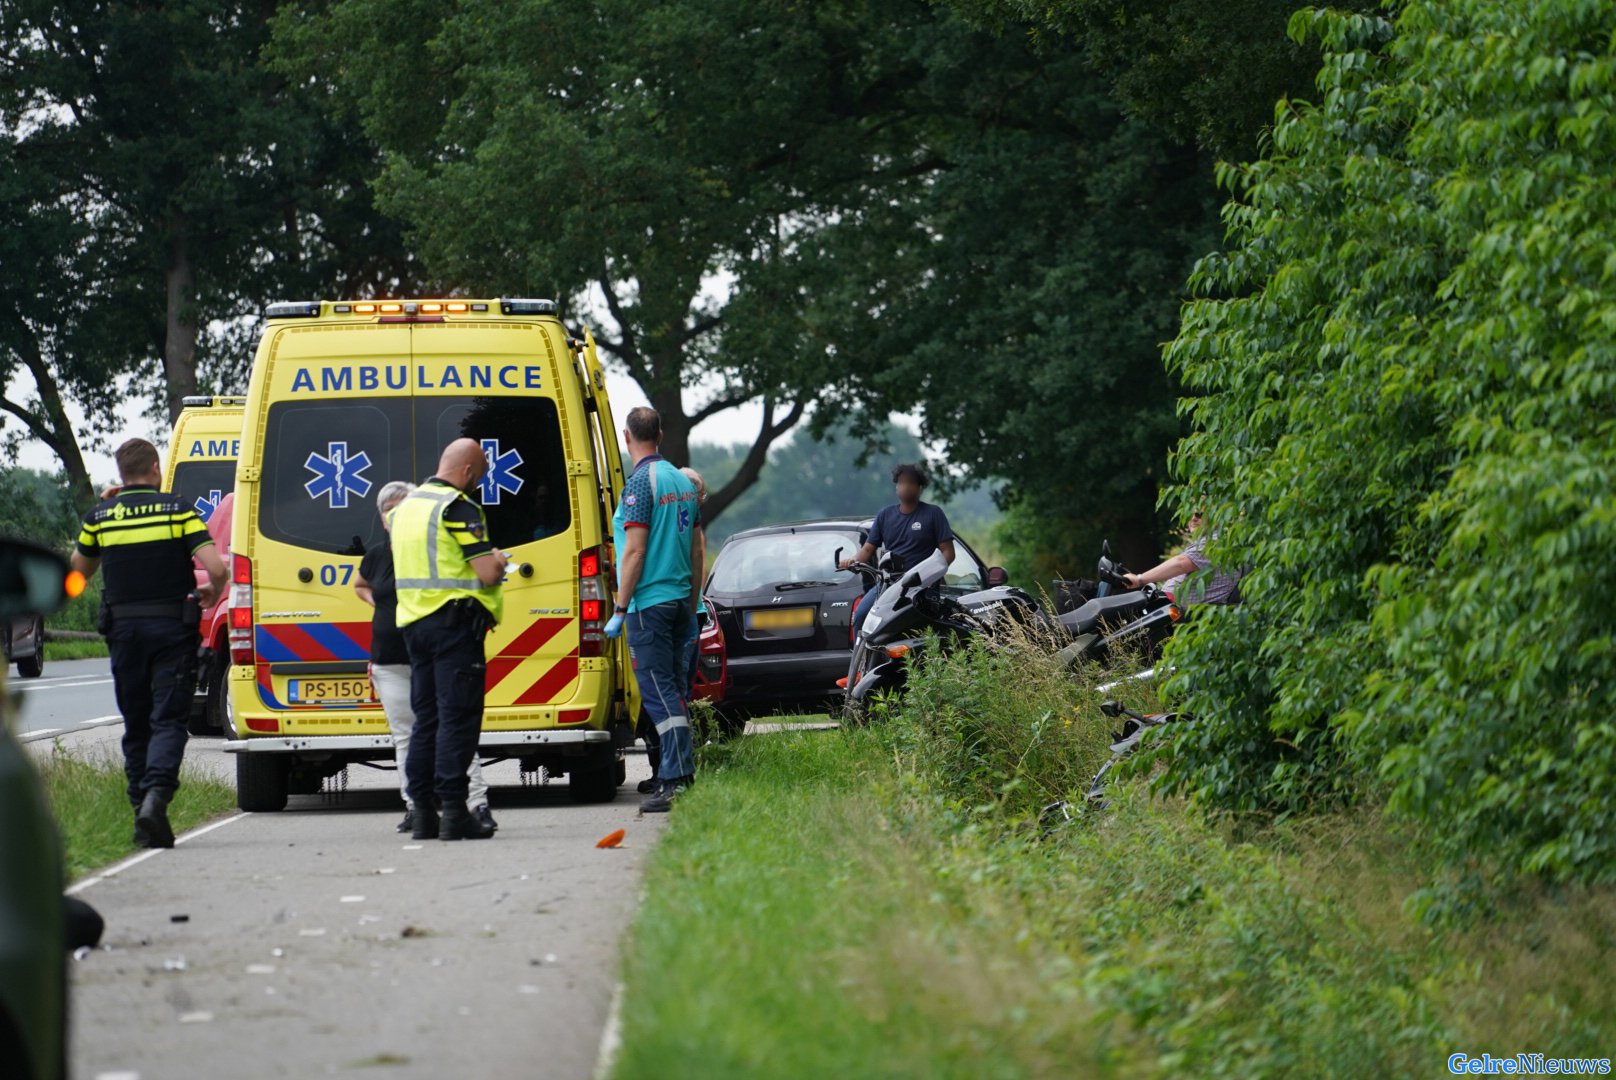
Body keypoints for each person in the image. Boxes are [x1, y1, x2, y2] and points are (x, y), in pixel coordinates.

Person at [69, 438, 227, 848]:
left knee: (136, 722)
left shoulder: (100, 517)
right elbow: (216, 568)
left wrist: (105, 515)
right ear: (155, 469)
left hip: (123, 634)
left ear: (121, 475)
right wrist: (211, 591)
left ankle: (142, 809)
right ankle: (156, 799)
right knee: (168, 720)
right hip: (172, 632)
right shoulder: (178, 510)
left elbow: (77, 574)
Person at [356, 480, 496, 836]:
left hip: (428, 651)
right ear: (382, 518)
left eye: (403, 508)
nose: (397, 516)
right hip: (391, 659)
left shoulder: (431, 549)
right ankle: (417, 808)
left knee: (452, 724)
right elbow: (360, 584)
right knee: (410, 734)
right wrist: (380, 607)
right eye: (390, 511)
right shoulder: (377, 556)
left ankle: (475, 804)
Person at [391, 440, 507, 841]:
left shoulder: (404, 509)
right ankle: (455, 811)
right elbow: (487, 573)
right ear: (468, 472)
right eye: (479, 477)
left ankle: (423, 813)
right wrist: (498, 560)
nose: (477, 485)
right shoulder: (457, 508)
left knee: (426, 721)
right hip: (454, 628)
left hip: (413, 626)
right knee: (457, 718)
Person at [604, 407, 701, 813]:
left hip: (649, 604)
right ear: (659, 435)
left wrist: (620, 607)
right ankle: (682, 774)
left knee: (659, 694)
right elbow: (696, 549)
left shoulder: (640, 484)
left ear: (627, 437)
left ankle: (674, 780)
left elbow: (635, 551)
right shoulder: (682, 480)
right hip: (679, 600)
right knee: (674, 690)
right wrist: (692, 605)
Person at [838, 463, 956, 635]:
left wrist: (933, 575)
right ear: (896, 487)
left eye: (910, 483)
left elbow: (948, 553)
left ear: (920, 488)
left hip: (922, 584)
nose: (905, 487)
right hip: (890, 584)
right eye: (901, 483)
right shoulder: (885, 515)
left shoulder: (933, 513)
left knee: (922, 628)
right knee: (862, 615)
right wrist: (851, 561)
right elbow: (867, 550)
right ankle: (860, 652)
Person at [1122, 510, 1242, 605]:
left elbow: (1180, 563)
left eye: (1199, 514)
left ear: (1216, 518)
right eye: (1190, 513)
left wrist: (1140, 579)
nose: (1193, 518)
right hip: (1171, 611)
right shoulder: (1211, 541)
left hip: (1185, 617)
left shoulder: (1214, 543)